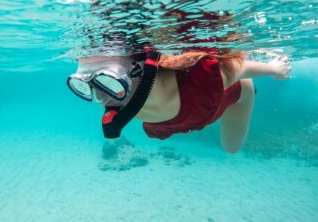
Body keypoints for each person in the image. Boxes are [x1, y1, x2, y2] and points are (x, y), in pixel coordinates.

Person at [67, 49, 291, 153]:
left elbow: (242, 68)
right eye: (85, 85)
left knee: (231, 148)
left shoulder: (200, 79)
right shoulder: (119, 98)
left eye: (108, 82)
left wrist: (274, 69)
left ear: (138, 70)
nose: (99, 97)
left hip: (221, 97)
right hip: (169, 120)